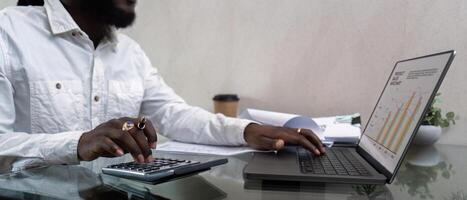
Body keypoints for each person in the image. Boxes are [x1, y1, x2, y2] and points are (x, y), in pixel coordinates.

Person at [0, 0, 324, 166]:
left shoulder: (129, 52)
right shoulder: (8, 34)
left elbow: (172, 114)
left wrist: (245, 130)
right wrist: (77, 143)